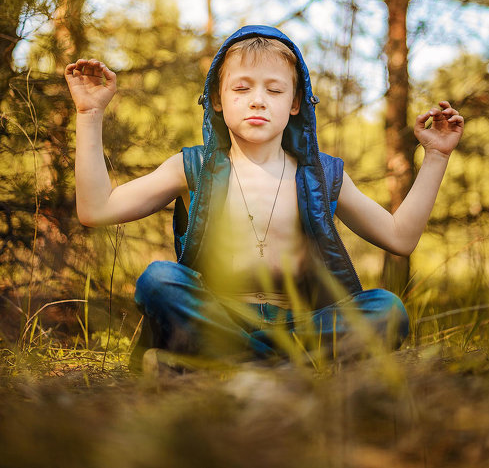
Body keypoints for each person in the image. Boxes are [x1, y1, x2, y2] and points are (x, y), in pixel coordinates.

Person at [65, 24, 464, 369]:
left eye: (274, 90)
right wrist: (89, 114)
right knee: (159, 280)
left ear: (294, 104)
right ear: (217, 100)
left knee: (386, 310)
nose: (258, 99)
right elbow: (96, 210)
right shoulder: (192, 167)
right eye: (242, 88)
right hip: (216, 318)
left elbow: (399, 237)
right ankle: (278, 366)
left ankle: (222, 363)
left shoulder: (322, 175)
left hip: (300, 325)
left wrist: (436, 156)